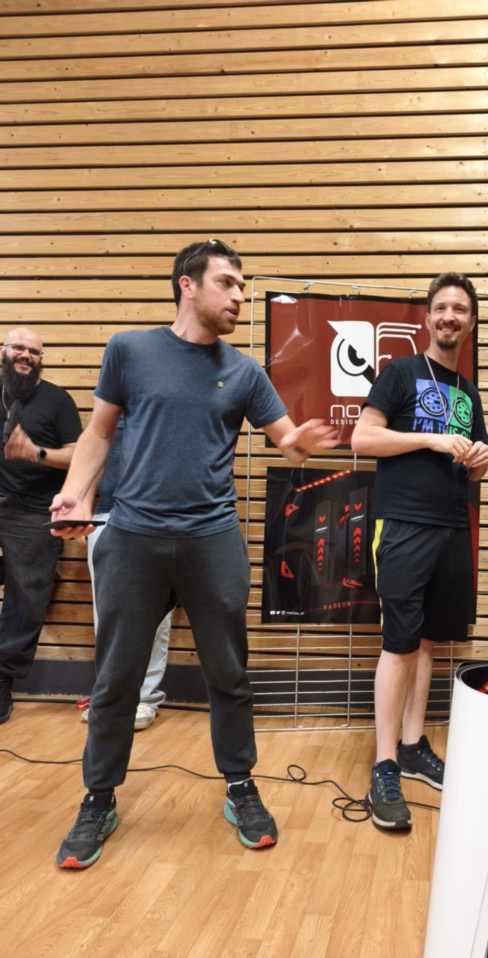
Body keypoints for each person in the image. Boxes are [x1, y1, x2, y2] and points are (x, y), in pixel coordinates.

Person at [50, 238, 338, 869]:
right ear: (188, 284)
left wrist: (302, 441)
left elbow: (286, 440)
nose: (240, 296)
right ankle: (98, 797)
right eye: (228, 283)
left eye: (243, 286)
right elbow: (99, 431)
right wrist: (75, 495)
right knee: (116, 678)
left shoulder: (245, 372)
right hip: (132, 537)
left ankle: (240, 785)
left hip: (212, 539)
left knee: (228, 674)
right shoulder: (129, 349)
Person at [351, 272, 488, 830]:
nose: (450, 316)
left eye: (460, 309)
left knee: (429, 639)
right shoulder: (401, 372)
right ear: (428, 318)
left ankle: (413, 746)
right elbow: (363, 438)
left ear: (470, 322)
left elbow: (476, 467)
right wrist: (431, 438)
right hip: (404, 523)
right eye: (441, 307)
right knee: (399, 642)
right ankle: (385, 763)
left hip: (453, 525)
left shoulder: (469, 392)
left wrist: (479, 459)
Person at [0, 328, 82, 724]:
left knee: (26, 599)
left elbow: (79, 455)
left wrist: (37, 453)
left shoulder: (57, 400)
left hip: (33, 512)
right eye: (18, 347)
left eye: (34, 351)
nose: (26, 355)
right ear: (3, 350)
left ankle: (2, 680)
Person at [82, 418, 170, 731]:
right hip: (108, 516)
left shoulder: (174, 410)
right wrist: (84, 508)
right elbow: (93, 458)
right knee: (106, 617)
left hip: (161, 519)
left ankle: (145, 698)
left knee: (157, 619)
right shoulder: (110, 409)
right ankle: (110, 698)